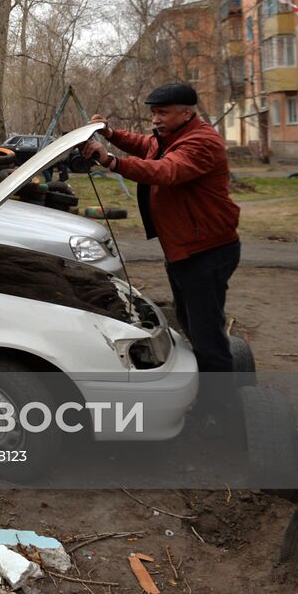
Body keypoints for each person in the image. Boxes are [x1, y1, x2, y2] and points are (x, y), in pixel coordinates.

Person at [83, 83, 241, 376]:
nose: (155, 119)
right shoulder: (170, 135)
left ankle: (221, 410)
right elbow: (146, 146)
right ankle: (206, 382)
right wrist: (111, 134)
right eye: (154, 113)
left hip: (207, 251)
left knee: (207, 336)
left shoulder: (201, 142)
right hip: (185, 248)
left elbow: (165, 171)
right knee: (190, 321)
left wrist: (110, 160)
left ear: (186, 112)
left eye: (163, 113)